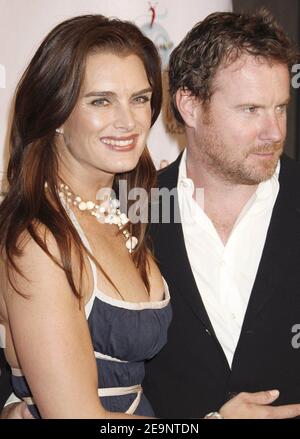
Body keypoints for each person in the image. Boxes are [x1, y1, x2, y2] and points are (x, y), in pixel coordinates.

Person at [0, 13, 281, 420]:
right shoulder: (40, 241)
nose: (128, 121)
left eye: (139, 98)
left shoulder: (128, 206)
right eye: (101, 100)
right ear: (56, 110)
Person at [142, 9, 300, 419]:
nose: (275, 132)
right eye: (250, 110)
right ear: (189, 106)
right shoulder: (132, 209)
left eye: (280, 108)